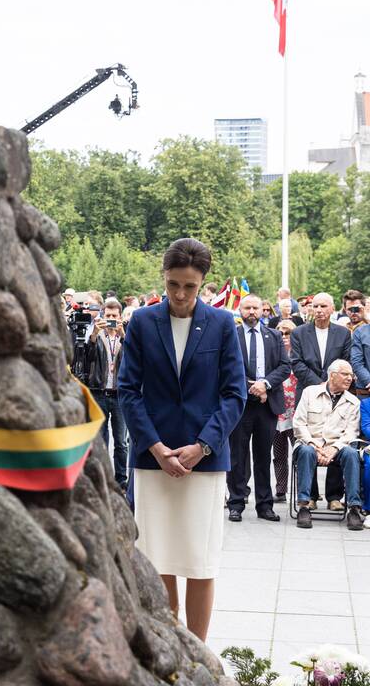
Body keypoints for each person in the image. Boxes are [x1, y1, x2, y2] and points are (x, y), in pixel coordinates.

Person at [119, 237, 245, 642]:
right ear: (164, 277)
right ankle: (171, 647)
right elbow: (127, 390)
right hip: (152, 460)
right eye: (173, 284)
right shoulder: (141, 322)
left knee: (200, 560)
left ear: (203, 282)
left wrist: (201, 445)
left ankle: (200, 654)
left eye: (189, 286)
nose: (179, 294)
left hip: (204, 461)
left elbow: (234, 394)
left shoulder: (224, 324)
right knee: (159, 558)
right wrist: (155, 447)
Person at [226, 294, 290, 522]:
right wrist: (249, 387)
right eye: (247, 308)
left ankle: (265, 505)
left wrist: (265, 385)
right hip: (240, 404)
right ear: (240, 310)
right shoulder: (231, 335)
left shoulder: (273, 336)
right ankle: (236, 502)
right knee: (237, 456)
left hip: (267, 403)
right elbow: (224, 367)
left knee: (263, 456)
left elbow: (285, 366)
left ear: (263, 310)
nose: (251, 312)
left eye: (255, 308)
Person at [289, 292, 353, 511]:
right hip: (308, 393)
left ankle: (334, 496)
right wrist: (322, 386)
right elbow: (296, 363)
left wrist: (333, 386)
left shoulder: (343, 334)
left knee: (334, 438)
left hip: (337, 396)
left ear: (332, 308)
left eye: (323, 306)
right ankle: (311, 495)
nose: (318, 310)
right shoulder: (299, 333)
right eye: (314, 306)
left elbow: (345, 362)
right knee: (311, 443)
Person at [292, 360, 364, 530]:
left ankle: (354, 508)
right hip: (309, 443)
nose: (350, 378)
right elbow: (299, 424)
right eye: (345, 374)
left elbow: (351, 433)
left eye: (351, 375)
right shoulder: (310, 392)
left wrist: (334, 448)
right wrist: (313, 444)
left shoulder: (353, 402)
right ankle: (304, 505)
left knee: (352, 453)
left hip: (337, 447)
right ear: (332, 376)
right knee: (306, 451)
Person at [85, 298, 129, 490]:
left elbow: (134, 359)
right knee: (101, 441)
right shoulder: (97, 335)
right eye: (108, 315)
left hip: (119, 395)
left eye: (115, 316)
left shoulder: (125, 336)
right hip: (100, 393)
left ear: (120, 317)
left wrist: (123, 335)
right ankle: (103, 478)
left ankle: (121, 479)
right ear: (103, 315)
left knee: (121, 442)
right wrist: (94, 335)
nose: (111, 319)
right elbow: (87, 359)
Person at [272, 319, 299, 502]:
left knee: (300, 453)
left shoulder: (299, 354)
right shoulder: (273, 354)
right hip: (277, 410)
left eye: (287, 333)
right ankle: (281, 489)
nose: (283, 337)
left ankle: (303, 491)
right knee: (279, 453)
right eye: (280, 333)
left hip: (297, 411)